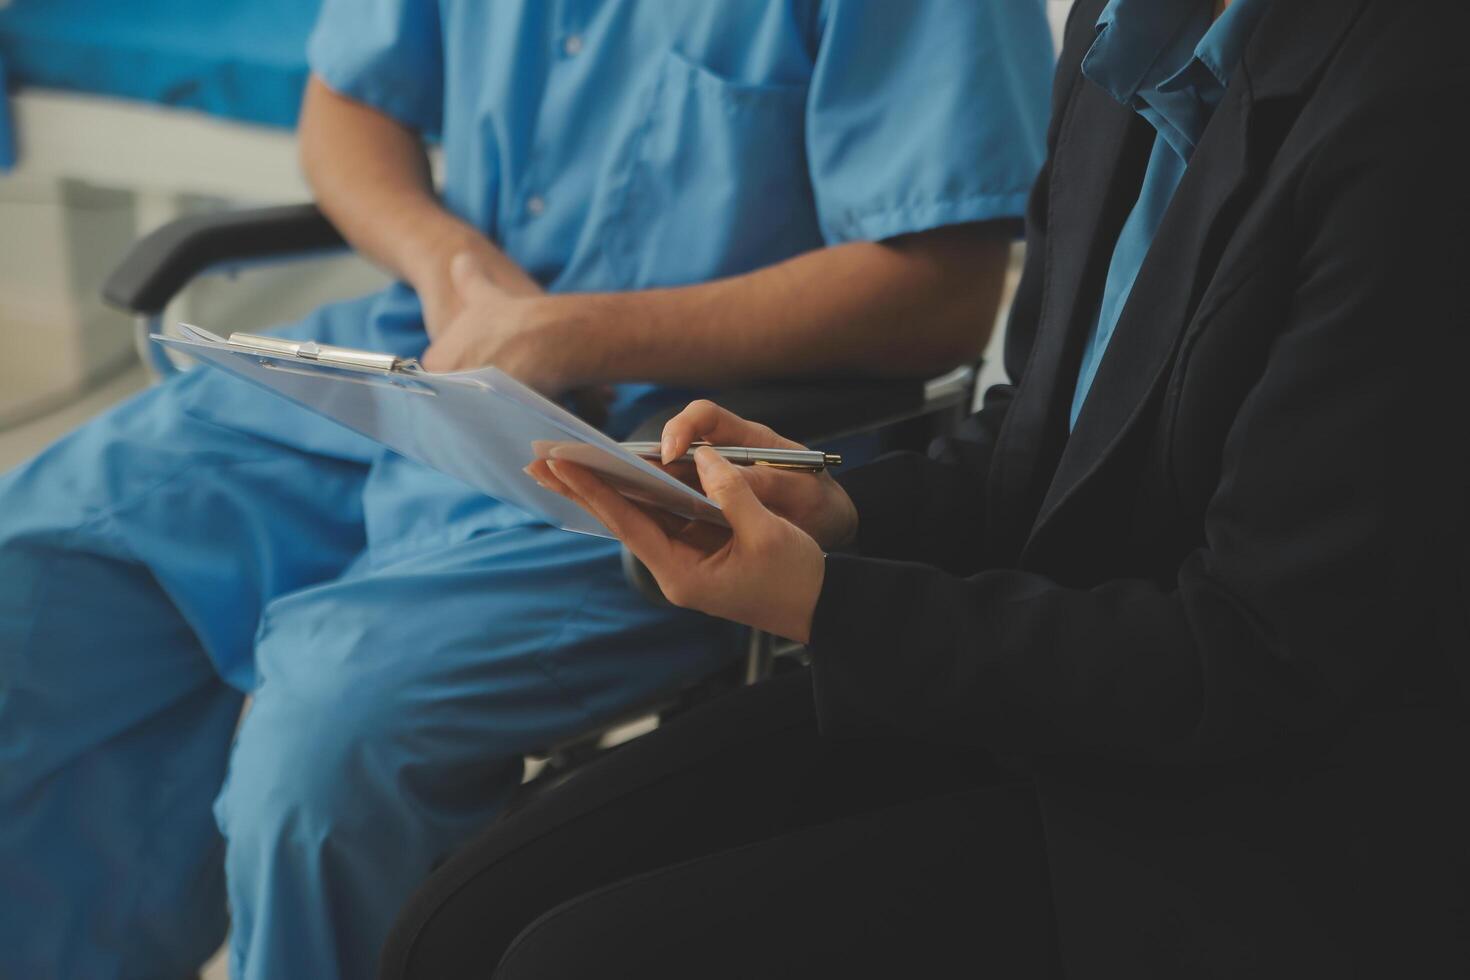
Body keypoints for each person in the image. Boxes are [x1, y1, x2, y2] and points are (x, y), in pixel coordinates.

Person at [385, 0, 1470, 975]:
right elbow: (1037, 438)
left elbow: (1250, 657)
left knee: (576, 960)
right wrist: (835, 503)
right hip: (1037, 698)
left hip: (1239, 822)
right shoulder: (1126, 32)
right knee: (452, 923)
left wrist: (825, 600)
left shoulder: (1412, 105)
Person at [0, 2, 1055, 977]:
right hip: (424, 358)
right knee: (35, 568)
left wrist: (580, 331)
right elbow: (347, 102)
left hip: (670, 445)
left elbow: (941, 291)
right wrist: (447, 258)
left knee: (327, 748)